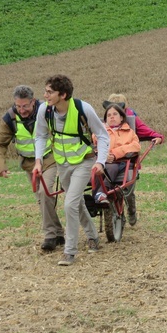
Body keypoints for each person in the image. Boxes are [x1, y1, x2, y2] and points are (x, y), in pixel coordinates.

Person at [32, 75, 109, 266]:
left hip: (84, 161)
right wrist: (38, 161)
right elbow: (40, 136)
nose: (45, 96)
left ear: (63, 94)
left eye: (49, 92)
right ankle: (93, 237)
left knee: (69, 204)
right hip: (62, 163)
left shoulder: (83, 108)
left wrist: (101, 162)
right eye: (45, 91)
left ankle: (70, 251)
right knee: (77, 203)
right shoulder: (44, 110)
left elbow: (102, 135)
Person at [0, 85, 65, 252]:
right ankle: (59, 233)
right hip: (29, 164)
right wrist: (0, 166)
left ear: (33, 101)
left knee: (45, 193)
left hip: (50, 158)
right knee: (42, 200)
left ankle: (50, 236)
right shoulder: (10, 118)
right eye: (18, 106)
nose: (21, 110)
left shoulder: (47, 111)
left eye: (25, 106)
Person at [104, 93, 163, 225]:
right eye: (111, 111)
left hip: (128, 163)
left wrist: (158, 137)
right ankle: (119, 216)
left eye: (119, 110)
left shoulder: (131, 122)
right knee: (110, 189)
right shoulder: (105, 125)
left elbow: (148, 132)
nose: (114, 115)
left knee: (128, 192)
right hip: (108, 163)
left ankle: (131, 210)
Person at [91, 104, 141, 224]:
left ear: (122, 117)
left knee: (110, 167)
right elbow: (94, 143)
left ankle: (101, 193)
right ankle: (97, 195)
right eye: (108, 115)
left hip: (121, 161)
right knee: (96, 169)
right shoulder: (100, 131)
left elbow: (136, 146)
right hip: (102, 160)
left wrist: (114, 154)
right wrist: (101, 153)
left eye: (115, 114)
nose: (112, 117)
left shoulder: (129, 132)